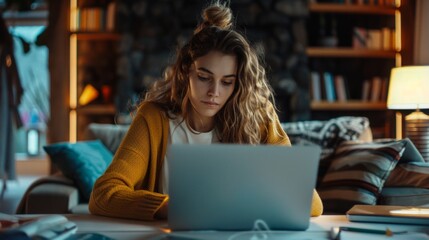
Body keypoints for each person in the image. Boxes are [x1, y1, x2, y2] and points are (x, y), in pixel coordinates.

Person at [89, 2, 323, 220]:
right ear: (185, 72)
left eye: (227, 82)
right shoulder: (154, 118)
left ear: (238, 84)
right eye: (204, 77)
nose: (214, 92)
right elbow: (103, 195)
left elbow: (312, 204)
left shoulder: (258, 115)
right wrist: (171, 207)